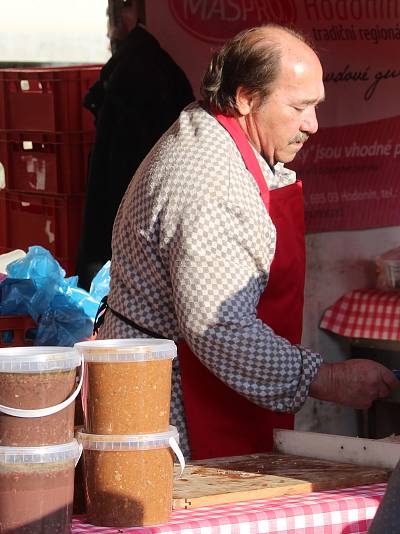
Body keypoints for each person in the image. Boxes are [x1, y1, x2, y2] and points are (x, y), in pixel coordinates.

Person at [95, 24, 399, 460]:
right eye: (299, 107)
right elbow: (219, 328)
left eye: (315, 106)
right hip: (170, 404)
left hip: (192, 382)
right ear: (245, 98)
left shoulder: (217, 135)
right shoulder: (211, 181)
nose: (312, 125)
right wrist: (326, 379)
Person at [76, 0, 194, 289]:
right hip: (140, 225)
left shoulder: (139, 70)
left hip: (135, 221)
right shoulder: (145, 67)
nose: (108, 32)